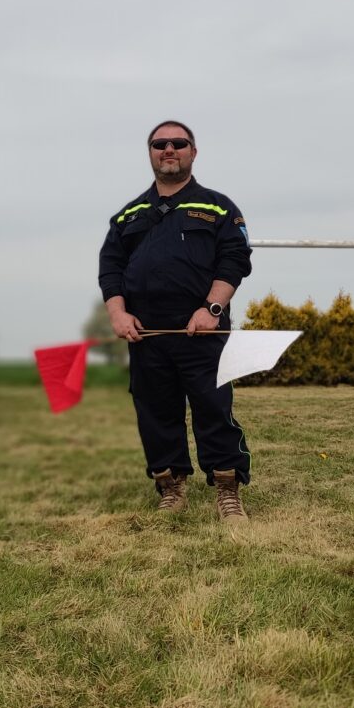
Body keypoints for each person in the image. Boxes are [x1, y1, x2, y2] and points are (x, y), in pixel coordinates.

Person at [98, 120, 252, 523]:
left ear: (193, 152)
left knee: (213, 408)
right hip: (146, 335)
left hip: (203, 330)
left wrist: (212, 309)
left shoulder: (219, 207)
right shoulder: (127, 215)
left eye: (179, 143)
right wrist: (117, 313)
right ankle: (170, 486)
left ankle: (227, 487)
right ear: (150, 153)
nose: (169, 149)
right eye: (160, 143)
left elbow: (235, 260)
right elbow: (110, 268)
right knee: (155, 412)